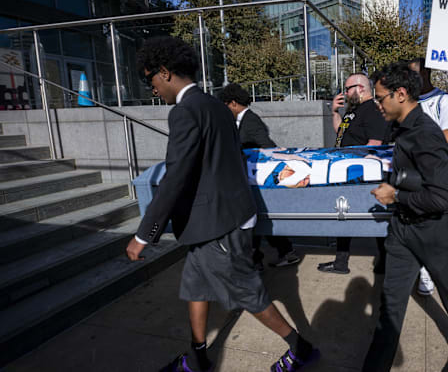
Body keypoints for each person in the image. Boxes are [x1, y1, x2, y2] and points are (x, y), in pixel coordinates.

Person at [125, 37, 318, 372]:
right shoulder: (216, 105)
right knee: (195, 287)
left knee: (248, 294)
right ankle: (198, 357)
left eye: (150, 79)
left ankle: (301, 348)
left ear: (166, 72)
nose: (152, 89)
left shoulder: (185, 112)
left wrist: (145, 234)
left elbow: (175, 177)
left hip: (219, 225)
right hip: (215, 220)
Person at [362, 62, 448, 372]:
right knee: (390, 303)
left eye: (380, 98)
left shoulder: (427, 134)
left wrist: (396, 195)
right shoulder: (400, 127)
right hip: (403, 229)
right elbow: (405, 172)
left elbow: (443, 199)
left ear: (400, 94)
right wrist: (392, 183)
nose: (378, 105)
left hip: (435, 233)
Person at [220, 83, 301, 271]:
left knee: (255, 221)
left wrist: (284, 158)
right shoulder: (241, 120)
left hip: (255, 179)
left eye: (225, 105)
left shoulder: (250, 120)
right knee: (260, 221)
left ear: (233, 103)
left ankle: (259, 260)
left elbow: (267, 145)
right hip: (249, 178)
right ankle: (281, 253)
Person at [318, 73, 390, 274]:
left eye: (348, 88)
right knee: (343, 214)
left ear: (361, 88)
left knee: (373, 216)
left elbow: (375, 143)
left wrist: (355, 169)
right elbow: (341, 134)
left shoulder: (372, 111)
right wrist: (334, 112)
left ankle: (383, 261)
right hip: (347, 172)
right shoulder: (354, 111)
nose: (345, 93)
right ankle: (341, 262)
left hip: (359, 174)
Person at [408, 57, 448, 296]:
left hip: (434, 174)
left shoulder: (444, 101)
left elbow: (447, 140)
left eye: (415, 74)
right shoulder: (408, 101)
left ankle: (428, 274)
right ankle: (417, 268)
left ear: (427, 72)